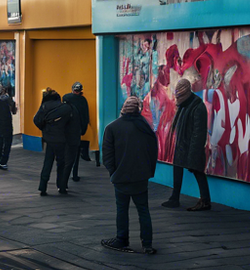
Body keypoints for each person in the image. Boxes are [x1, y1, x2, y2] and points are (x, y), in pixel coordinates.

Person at [102, 96, 158, 254]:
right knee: (143, 210)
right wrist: (148, 171)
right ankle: (147, 244)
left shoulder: (112, 127)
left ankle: (122, 239)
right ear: (138, 110)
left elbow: (107, 156)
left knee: (122, 209)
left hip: (121, 176)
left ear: (123, 109)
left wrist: (114, 172)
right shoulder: (145, 127)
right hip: (141, 176)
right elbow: (153, 151)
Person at [164, 78, 211, 211]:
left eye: (180, 96)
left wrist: (193, 153)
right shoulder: (184, 105)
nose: (178, 100)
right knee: (178, 168)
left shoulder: (198, 107)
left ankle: (205, 201)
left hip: (192, 146)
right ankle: (174, 198)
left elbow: (199, 133)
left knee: (197, 171)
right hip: (182, 144)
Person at [32, 89, 76, 196]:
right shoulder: (65, 108)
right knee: (61, 163)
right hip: (61, 139)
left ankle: (43, 187)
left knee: (47, 162)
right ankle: (61, 186)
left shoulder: (44, 106)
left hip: (49, 139)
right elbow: (70, 125)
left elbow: (36, 120)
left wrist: (45, 129)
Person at [63, 82, 91, 181]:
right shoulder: (83, 100)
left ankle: (64, 174)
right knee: (75, 153)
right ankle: (74, 174)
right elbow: (85, 116)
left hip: (66, 129)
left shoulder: (66, 97)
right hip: (77, 130)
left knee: (66, 152)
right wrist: (83, 130)